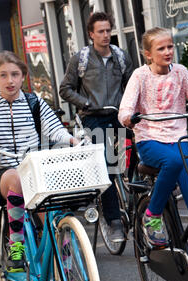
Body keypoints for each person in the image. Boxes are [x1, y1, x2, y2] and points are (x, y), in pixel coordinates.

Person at [118, 27, 188, 247]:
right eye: (161, 48)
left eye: (170, 46)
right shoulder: (139, 76)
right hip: (150, 141)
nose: (168, 51)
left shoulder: (180, 71)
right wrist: (128, 118)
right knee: (174, 161)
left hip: (179, 141)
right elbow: (125, 109)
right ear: (148, 54)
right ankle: (152, 214)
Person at [0, 51, 77, 273]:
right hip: (4, 169)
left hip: (35, 167)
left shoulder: (34, 102)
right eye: (4, 75)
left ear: (23, 77)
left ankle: (64, 254)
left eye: (15, 74)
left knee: (51, 209)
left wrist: (71, 139)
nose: (10, 80)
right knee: (16, 179)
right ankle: (16, 246)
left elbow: (55, 129)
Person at [59, 11, 134, 242]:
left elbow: (132, 85)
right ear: (91, 34)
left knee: (140, 149)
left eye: (108, 30)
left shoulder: (121, 57)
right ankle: (113, 221)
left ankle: (135, 196)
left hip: (118, 116)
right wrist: (86, 102)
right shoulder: (80, 59)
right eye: (100, 31)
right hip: (93, 118)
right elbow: (66, 89)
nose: (105, 35)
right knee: (108, 166)